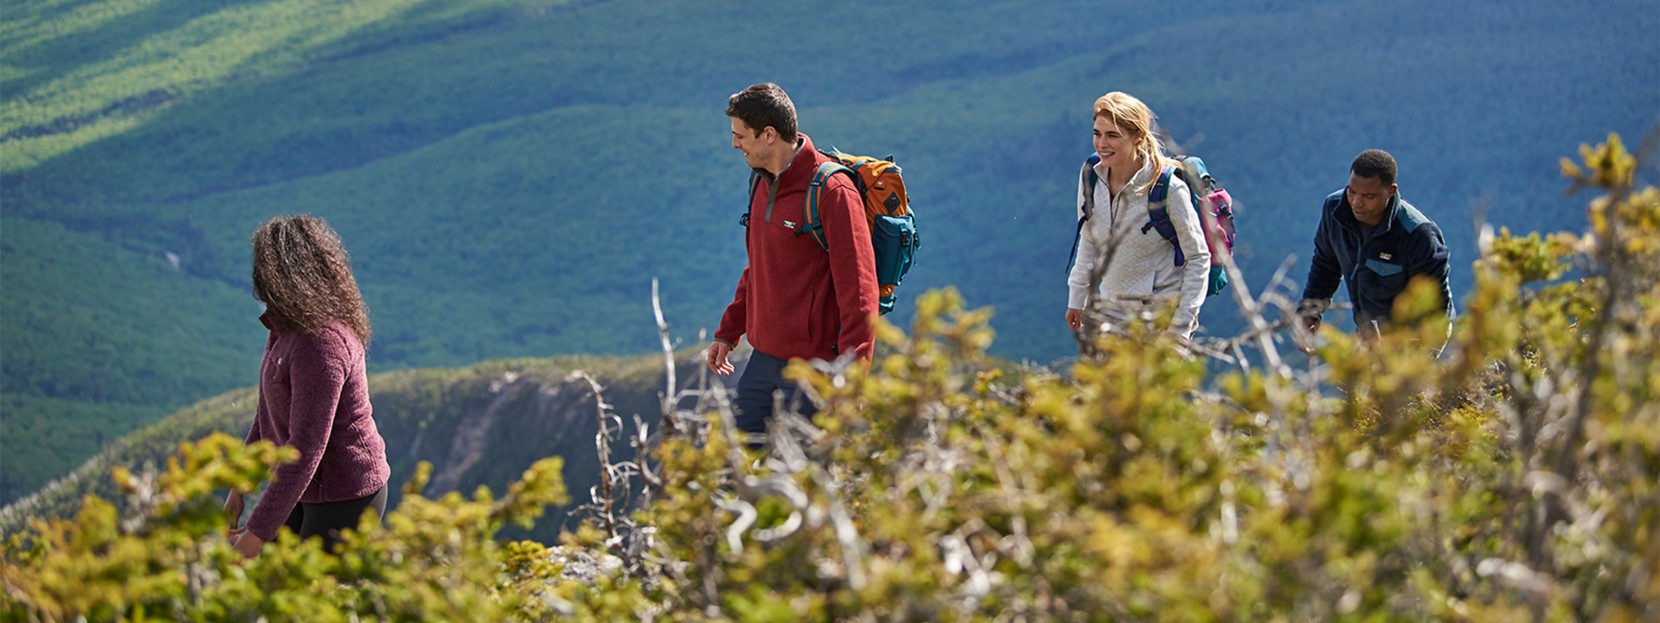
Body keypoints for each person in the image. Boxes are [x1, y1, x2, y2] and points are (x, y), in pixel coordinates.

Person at [707, 83, 879, 441]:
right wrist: (729, 330)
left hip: (813, 374)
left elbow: (860, 296)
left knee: (803, 484)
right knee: (734, 468)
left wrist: (851, 383)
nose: (734, 144)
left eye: (740, 136)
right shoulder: (761, 183)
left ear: (768, 134)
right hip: (763, 362)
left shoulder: (833, 193)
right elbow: (759, 266)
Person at [224, 214, 391, 558]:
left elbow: (305, 448)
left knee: (307, 599)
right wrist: (239, 487)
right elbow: (267, 415)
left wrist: (252, 539)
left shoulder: (322, 343)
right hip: (305, 489)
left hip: (346, 496)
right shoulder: (283, 328)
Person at [1065, 92, 1211, 339]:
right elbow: (1089, 238)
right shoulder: (1091, 175)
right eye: (1097, 133)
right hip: (1110, 316)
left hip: (1160, 320)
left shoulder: (1168, 189)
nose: (1101, 144)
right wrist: (1078, 297)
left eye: (1112, 135)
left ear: (1138, 138)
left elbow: (1198, 257)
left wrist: (1179, 329)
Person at [1298, 149, 1453, 348]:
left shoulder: (1418, 235)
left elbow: (1434, 306)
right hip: (1370, 331)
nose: (1356, 202)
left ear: (1391, 191)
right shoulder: (1335, 211)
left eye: (1368, 196)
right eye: (1351, 191)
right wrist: (1309, 314)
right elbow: (1325, 265)